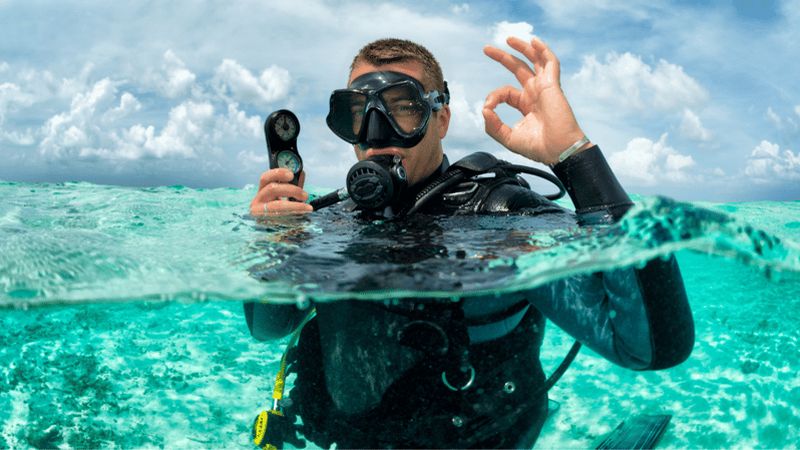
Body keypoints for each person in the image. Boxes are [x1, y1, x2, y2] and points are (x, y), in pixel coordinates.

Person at [245, 36, 694, 448]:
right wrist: (274, 244)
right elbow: (268, 327)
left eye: (403, 108)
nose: (376, 134)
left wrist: (574, 155)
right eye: (359, 113)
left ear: (441, 119)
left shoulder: (503, 217)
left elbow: (649, 346)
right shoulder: (330, 221)